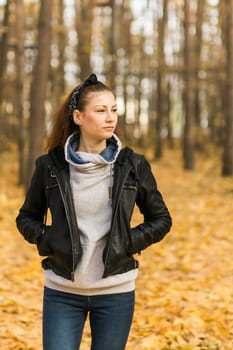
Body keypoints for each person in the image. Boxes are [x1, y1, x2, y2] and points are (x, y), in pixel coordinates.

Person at [16, 73, 172, 350]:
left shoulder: (132, 165)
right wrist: (48, 239)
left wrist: (128, 242)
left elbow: (161, 219)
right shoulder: (50, 166)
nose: (110, 118)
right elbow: (26, 217)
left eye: (114, 110)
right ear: (78, 117)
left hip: (116, 292)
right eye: (100, 111)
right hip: (62, 291)